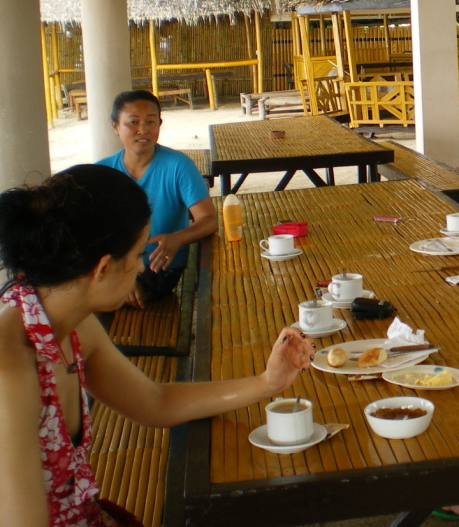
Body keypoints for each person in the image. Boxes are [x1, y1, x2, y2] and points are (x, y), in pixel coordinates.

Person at [0, 164, 314, 526]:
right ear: (102, 268)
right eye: (136, 256)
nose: (140, 269)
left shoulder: (72, 323)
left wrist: (268, 382)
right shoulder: (11, 371)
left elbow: (155, 402)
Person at [97, 90, 216, 307]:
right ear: (115, 126)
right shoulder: (102, 172)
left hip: (159, 269)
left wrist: (178, 238)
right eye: (133, 122)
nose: (143, 130)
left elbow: (209, 219)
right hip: (112, 268)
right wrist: (119, 277)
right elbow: (91, 234)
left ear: (159, 124)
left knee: (118, 302)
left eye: (150, 122)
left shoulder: (179, 166)